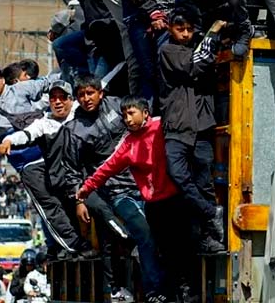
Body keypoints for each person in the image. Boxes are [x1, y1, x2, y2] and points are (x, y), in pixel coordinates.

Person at [77, 98, 199, 303]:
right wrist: (86, 189)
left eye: (131, 113)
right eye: (124, 115)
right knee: (153, 242)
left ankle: (186, 288)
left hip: (176, 197)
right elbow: (106, 168)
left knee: (182, 243)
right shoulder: (127, 143)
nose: (128, 119)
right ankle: (159, 291)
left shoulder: (162, 126)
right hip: (153, 203)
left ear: (145, 112)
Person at [0, 63, 80, 256]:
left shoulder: (21, 89)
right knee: (48, 204)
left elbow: (50, 82)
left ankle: (77, 239)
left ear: (3, 78)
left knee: (71, 196)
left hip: (52, 155)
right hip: (28, 166)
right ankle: (72, 246)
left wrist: (67, 68)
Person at [59, 77, 164, 301]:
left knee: (161, 234)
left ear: (101, 93)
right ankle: (148, 291)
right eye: (81, 95)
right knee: (138, 235)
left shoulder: (120, 107)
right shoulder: (74, 129)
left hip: (146, 185)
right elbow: (72, 169)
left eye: (90, 93)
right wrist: (79, 201)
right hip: (113, 192)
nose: (86, 99)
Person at [0, 79, 94, 259]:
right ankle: (74, 247)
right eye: (53, 98)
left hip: (87, 179)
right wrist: (8, 141)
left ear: (71, 99)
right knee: (60, 214)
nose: (57, 102)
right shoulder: (45, 122)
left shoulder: (80, 113)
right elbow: (26, 134)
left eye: (62, 97)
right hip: (61, 181)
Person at [157, 11, 226, 252]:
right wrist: (212, 34)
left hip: (202, 126)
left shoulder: (201, 48)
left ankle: (209, 236)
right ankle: (211, 212)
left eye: (189, 29)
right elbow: (193, 67)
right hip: (177, 125)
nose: (185, 33)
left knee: (203, 183)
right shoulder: (168, 51)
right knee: (178, 175)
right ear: (170, 29)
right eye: (180, 28)